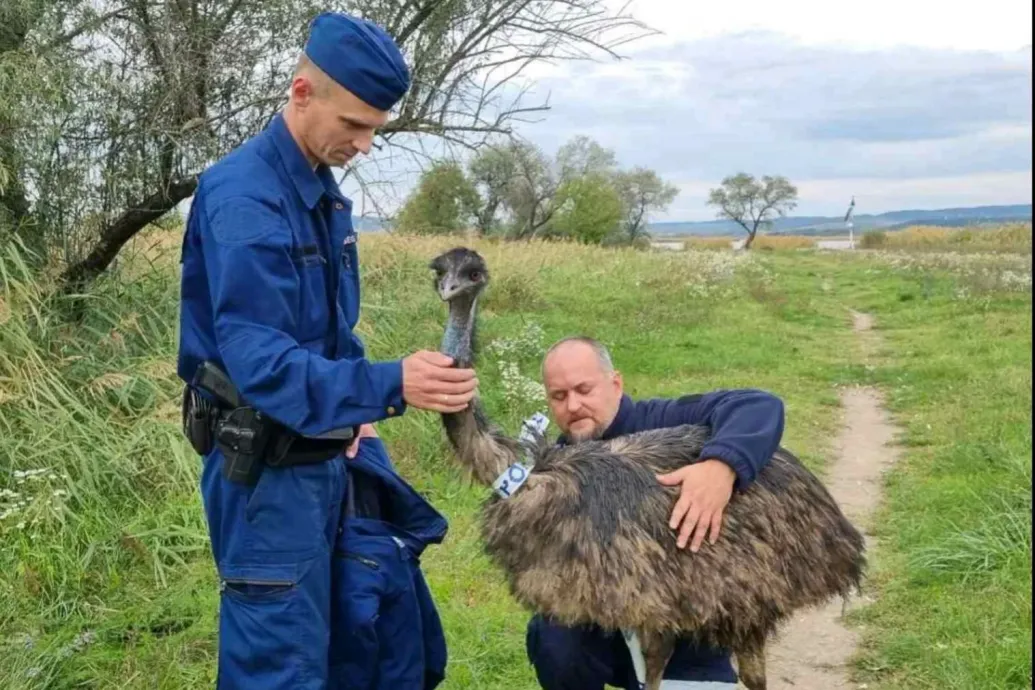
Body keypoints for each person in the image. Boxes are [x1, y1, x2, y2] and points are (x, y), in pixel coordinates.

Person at [176, 12, 477, 689]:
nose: (365, 144)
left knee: (352, 644)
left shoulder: (321, 194)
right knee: (279, 668)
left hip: (325, 458)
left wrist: (359, 409)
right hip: (266, 478)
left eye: (375, 128)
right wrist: (389, 384)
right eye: (355, 124)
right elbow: (260, 365)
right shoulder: (246, 198)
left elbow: (330, 334)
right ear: (302, 92)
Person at [525, 336, 786, 690]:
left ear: (615, 384)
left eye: (584, 389)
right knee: (554, 638)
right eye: (559, 396)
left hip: (688, 625)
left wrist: (721, 465)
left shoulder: (662, 422)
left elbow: (758, 405)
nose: (573, 405)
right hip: (605, 622)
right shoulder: (556, 464)